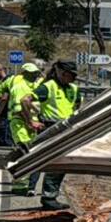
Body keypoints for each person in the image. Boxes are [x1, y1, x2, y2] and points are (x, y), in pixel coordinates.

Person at [34, 60, 81, 209]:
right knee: (55, 162)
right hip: (51, 127)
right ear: (61, 73)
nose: (72, 78)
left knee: (63, 163)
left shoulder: (74, 88)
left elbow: (78, 105)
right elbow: (26, 100)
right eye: (70, 75)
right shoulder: (49, 87)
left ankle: (51, 194)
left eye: (74, 75)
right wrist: (32, 120)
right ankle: (48, 197)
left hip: (66, 127)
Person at [7, 60, 44, 196]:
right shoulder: (19, 87)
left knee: (31, 152)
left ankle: (26, 184)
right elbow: (19, 109)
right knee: (24, 152)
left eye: (36, 73)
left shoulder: (34, 85)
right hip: (20, 123)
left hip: (31, 123)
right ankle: (20, 184)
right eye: (32, 73)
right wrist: (29, 122)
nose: (35, 75)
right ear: (24, 73)